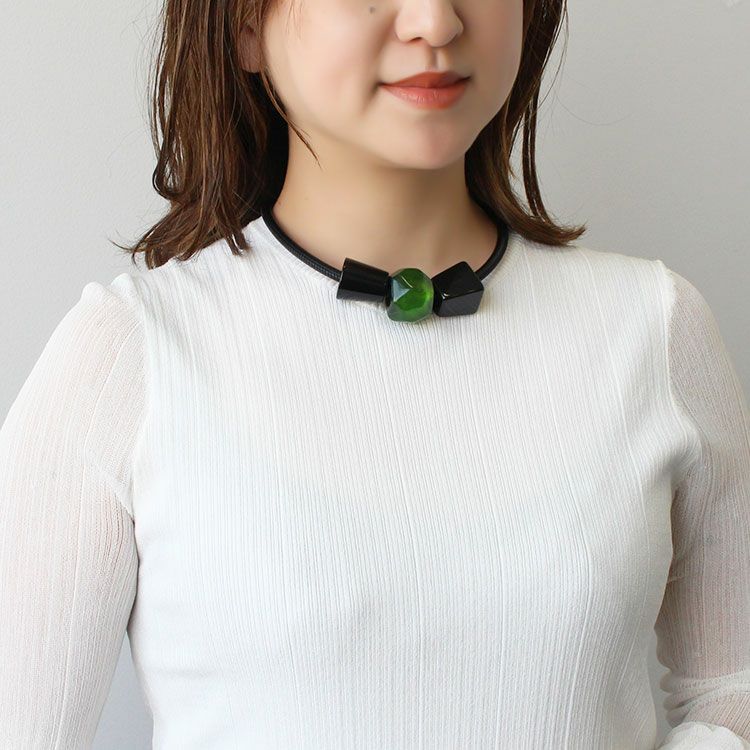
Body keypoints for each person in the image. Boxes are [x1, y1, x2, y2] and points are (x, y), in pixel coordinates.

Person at [1, 0, 748, 746]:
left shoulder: (654, 328)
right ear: (245, 27)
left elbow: (733, 691)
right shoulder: (133, 353)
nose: (435, 23)